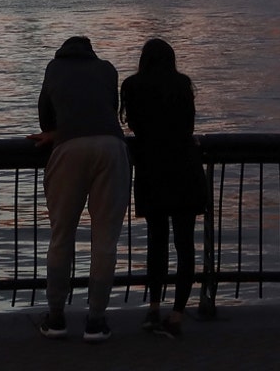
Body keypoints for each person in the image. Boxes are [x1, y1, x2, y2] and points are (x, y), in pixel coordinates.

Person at [30, 35, 130, 343]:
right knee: (105, 238)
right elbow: (110, 110)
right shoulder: (108, 69)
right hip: (112, 147)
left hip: (69, 147)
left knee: (62, 234)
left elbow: (45, 112)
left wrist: (54, 133)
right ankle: (96, 321)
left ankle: (56, 316)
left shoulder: (53, 68)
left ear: (62, 53)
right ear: (91, 53)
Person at [120, 37, 209, 338]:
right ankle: (178, 314)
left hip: (152, 172)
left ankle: (153, 308)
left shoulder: (132, 87)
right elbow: (188, 127)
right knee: (185, 245)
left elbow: (134, 126)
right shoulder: (183, 85)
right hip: (185, 170)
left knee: (156, 244)